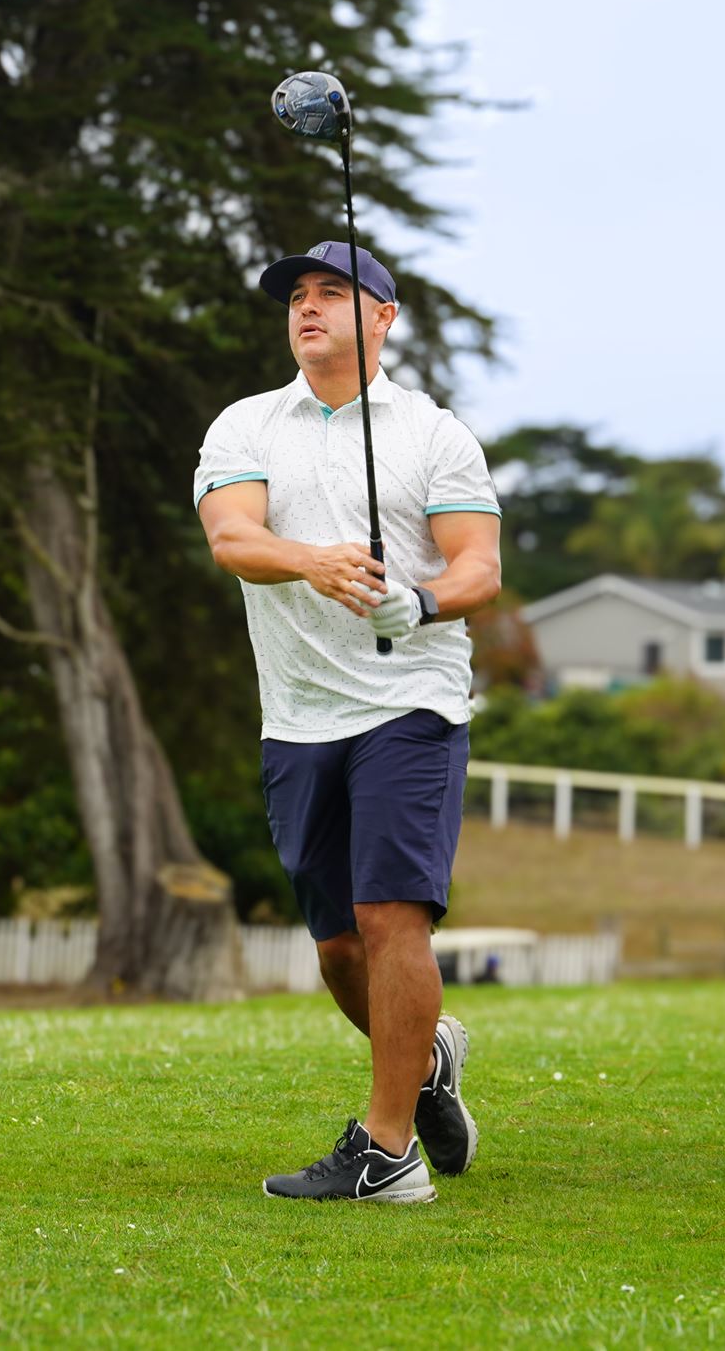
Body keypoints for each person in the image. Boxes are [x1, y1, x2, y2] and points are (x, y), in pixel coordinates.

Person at [193, 241, 503, 1206]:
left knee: (390, 913)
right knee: (337, 945)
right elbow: (232, 537)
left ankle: (389, 1150)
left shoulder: (433, 433)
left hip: (410, 700)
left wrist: (417, 600)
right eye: (298, 295)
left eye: (334, 292)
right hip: (298, 713)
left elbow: (477, 569)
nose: (309, 307)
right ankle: (427, 1057)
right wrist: (314, 562)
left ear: (384, 316)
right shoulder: (246, 425)